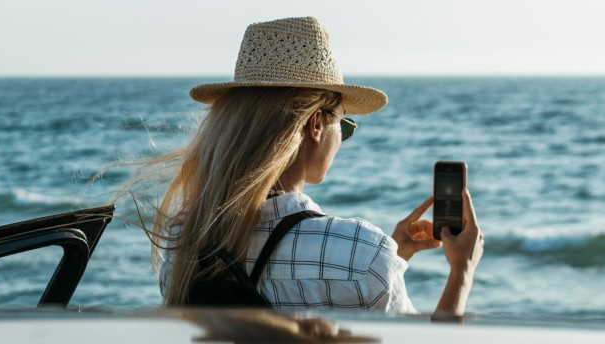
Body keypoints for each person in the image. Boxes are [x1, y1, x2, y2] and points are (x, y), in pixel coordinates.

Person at [113, 16, 484, 315]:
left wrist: (395, 252)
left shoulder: (185, 242)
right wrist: (461, 270)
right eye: (344, 122)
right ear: (317, 125)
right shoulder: (364, 254)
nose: (344, 136)